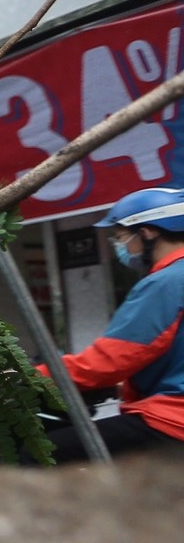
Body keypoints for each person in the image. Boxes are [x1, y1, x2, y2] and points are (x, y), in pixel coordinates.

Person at [32, 186, 184, 462]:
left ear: (148, 232)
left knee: (33, 454)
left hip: (172, 420)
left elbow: (110, 361)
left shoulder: (166, 282)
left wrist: (33, 375)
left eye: (121, 235)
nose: (120, 245)